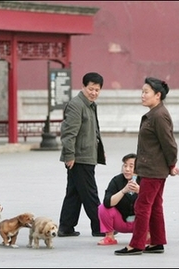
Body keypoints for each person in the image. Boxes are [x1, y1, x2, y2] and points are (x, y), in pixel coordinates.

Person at [114, 77, 179, 255]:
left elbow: (170, 144)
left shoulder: (159, 116)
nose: (142, 95)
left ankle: (136, 244)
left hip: (153, 170)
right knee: (155, 205)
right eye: (142, 91)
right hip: (152, 168)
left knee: (141, 206)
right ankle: (157, 242)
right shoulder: (155, 113)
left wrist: (172, 164)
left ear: (157, 95)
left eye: (146, 92)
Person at [58, 72, 106, 237]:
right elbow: (68, 134)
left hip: (87, 155)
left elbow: (93, 131)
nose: (93, 93)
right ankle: (101, 226)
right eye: (91, 89)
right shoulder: (76, 105)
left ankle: (66, 226)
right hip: (79, 157)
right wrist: (69, 155)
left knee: (75, 192)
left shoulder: (90, 105)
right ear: (83, 87)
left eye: (97, 90)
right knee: (90, 193)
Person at [97, 153, 151, 246]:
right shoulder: (116, 180)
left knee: (152, 208)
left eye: (131, 166)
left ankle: (148, 236)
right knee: (102, 208)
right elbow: (107, 203)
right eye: (125, 166)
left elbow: (153, 200)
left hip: (139, 222)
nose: (127, 169)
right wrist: (123, 191)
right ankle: (109, 236)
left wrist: (140, 191)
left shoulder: (144, 180)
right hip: (121, 221)